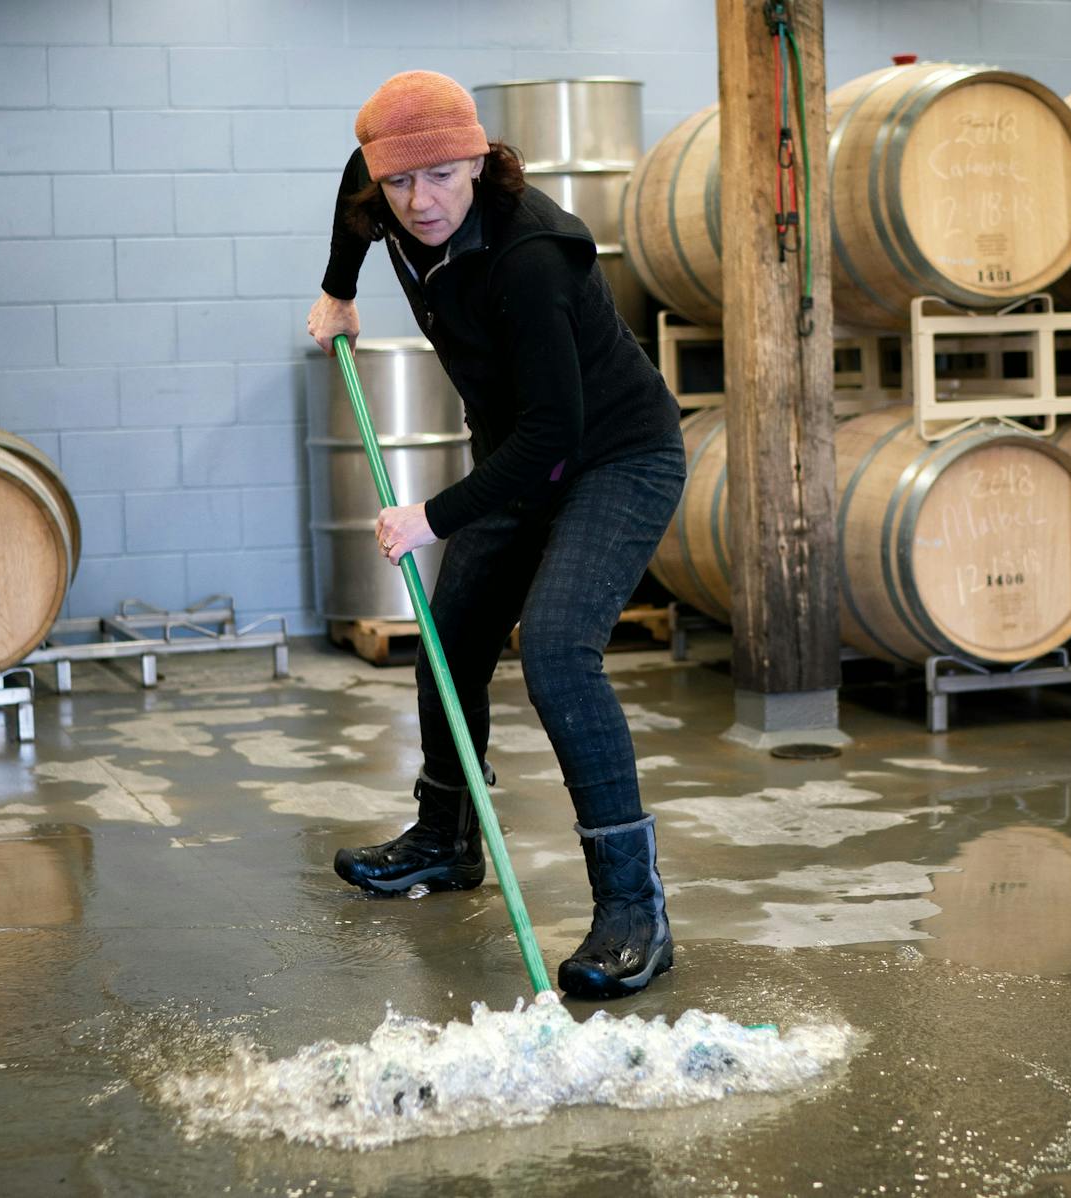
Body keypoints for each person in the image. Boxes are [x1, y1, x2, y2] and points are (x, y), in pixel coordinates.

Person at [306, 70, 685, 1000]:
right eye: (400, 182)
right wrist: (338, 291)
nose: (419, 201)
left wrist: (432, 517)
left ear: (476, 157)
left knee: (558, 652)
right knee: (452, 642)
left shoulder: (533, 256)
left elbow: (558, 436)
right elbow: (352, 205)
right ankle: (444, 840)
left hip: (613, 455)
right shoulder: (384, 197)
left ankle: (634, 909)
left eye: (439, 175)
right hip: (520, 452)